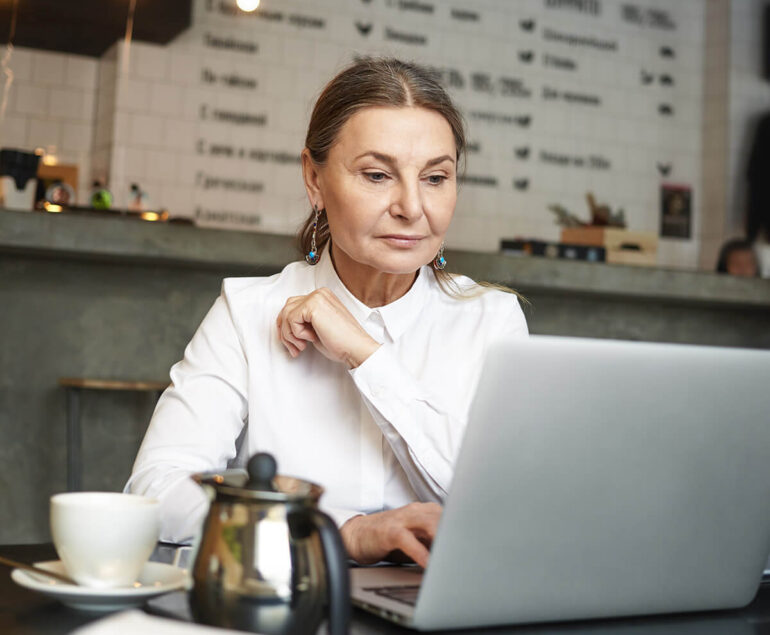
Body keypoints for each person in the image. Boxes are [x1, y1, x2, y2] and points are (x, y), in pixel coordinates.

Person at [126, 57, 528, 568]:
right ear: (314, 180)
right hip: (288, 604)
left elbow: (503, 508)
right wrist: (341, 533)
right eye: (378, 175)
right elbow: (156, 495)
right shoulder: (248, 311)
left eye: (435, 177)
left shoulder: (492, 321)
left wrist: (366, 355)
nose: (411, 206)